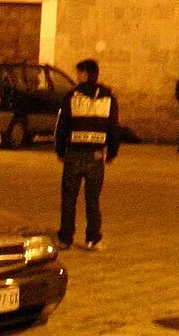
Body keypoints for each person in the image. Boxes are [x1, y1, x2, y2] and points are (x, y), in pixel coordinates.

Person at [53, 59, 121, 251]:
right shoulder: (108, 98)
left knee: (69, 198)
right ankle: (93, 238)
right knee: (92, 199)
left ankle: (65, 237)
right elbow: (113, 127)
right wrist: (112, 153)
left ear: (86, 74)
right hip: (96, 155)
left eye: (79, 73)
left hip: (74, 153)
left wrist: (60, 150)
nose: (77, 76)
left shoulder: (72, 96)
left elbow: (62, 125)